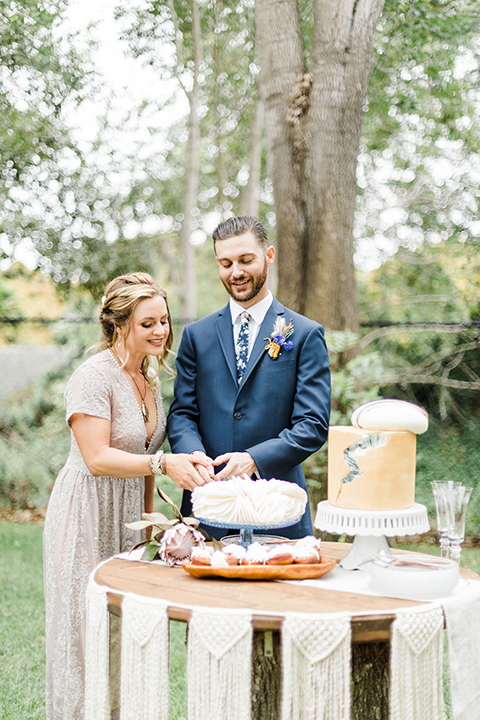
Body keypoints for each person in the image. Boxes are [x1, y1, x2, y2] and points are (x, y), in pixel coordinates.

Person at [43, 272, 212, 720]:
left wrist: (152, 530)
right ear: (119, 325)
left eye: (164, 321)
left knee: (125, 630)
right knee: (84, 632)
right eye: (148, 324)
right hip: (84, 513)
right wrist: (162, 464)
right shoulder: (92, 377)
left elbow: (146, 458)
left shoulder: (149, 379)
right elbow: (97, 457)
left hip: (128, 521)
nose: (161, 332)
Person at [167, 216, 331, 539]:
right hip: (206, 510)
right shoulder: (196, 336)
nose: (236, 272)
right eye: (226, 263)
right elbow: (182, 414)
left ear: (268, 256)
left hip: (279, 511)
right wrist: (194, 454)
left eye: (245, 260)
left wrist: (254, 459)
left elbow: (312, 425)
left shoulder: (305, 334)